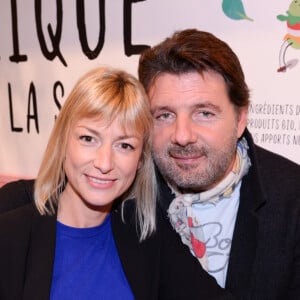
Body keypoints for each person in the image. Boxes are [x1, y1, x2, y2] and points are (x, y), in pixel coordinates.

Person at [0, 66, 233, 299]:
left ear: (140, 159)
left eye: (124, 145)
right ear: (63, 142)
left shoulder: (147, 231)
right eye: (88, 138)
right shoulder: (11, 232)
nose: (104, 163)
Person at [137, 29, 300, 299]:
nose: (182, 135)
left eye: (204, 113)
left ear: (240, 120)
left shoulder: (293, 201)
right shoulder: (123, 199)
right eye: (165, 115)